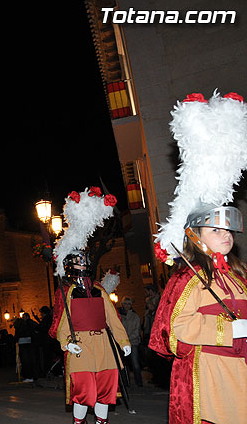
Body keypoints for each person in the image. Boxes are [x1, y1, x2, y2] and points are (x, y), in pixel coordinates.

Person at [150, 91, 247, 424]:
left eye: (229, 229)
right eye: (215, 229)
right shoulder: (187, 278)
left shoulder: (239, 276)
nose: (226, 235)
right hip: (211, 373)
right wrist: (229, 331)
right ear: (195, 235)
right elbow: (173, 331)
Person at [49, 188, 130, 424]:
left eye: (85, 263)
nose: (83, 267)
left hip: (104, 344)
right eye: (79, 264)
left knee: (105, 390)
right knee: (83, 392)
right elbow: (63, 324)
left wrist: (123, 342)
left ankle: (102, 422)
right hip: (81, 346)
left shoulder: (99, 290)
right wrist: (66, 344)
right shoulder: (68, 293)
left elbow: (113, 319)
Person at [119, 297, 143, 387]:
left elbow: (137, 330)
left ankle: (139, 382)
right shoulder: (119, 315)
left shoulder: (135, 316)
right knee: (124, 364)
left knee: (135, 363)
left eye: (129, 304)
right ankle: (125, 382)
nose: (127, 306)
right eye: (125, 304)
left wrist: (128, 339)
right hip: (122, 342)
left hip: (133, 342)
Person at [14, 312, 38, 382]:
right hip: (29, 344)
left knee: (26, 361)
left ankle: (28, 376)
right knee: (30, 360)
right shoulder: (30, 324)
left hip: (25, 345)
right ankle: (32, 376)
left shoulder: (25, 325)